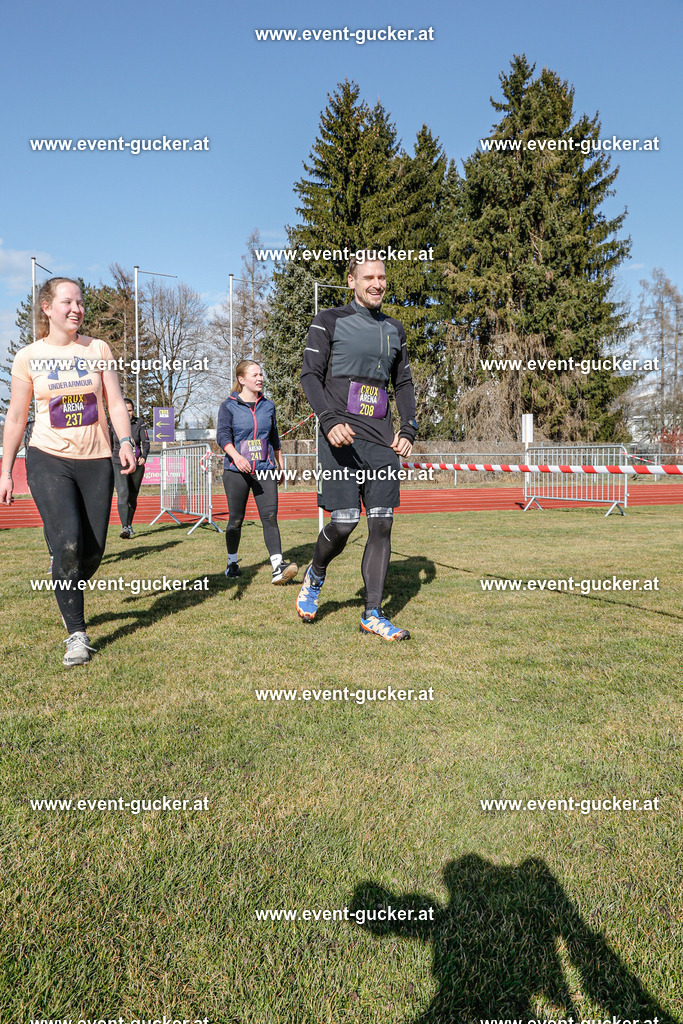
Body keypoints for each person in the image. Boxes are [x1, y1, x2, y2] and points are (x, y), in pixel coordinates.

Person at [0, 277, 136, 666]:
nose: (76, 308)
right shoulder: (28, 357)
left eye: (79, 302)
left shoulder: (97, 349)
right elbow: (15, 416)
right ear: (47, 308)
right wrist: (7, 470)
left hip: (96, 460)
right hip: (47, 457)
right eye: (67, 302)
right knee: (69, 545)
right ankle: (76, 633)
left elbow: (114, 402)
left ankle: (63, 571)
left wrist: (125, 441)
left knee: (92, 554)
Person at [296, 251, 418, 640]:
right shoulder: (328, 321)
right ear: (351, 281)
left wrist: (409, 428)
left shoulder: (395, 329)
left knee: (381, 522)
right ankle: (315, 575)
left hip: (381, 441)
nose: (377, 284)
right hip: (339, 438)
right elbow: (310, 376)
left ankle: (372, 612)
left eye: (382, 277)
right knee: (345, 522)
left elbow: (403, 386)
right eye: (369, 277)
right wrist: (328, 420)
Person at [216, 359, 298, 584]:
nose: (260, 378)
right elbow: (222, 436)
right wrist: (237, 456)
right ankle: (232, 562)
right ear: (242, 380)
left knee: (270, 517)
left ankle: (277, 567)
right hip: (236, 470)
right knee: (236, 519)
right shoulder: (228, 406)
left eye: (261, 374)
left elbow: (274, 438)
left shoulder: (268, 406)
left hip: (265, 468)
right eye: (255, 375)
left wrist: (280, 465)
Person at [110, 398, 150, 538]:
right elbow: (109, 443)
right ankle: (124, 527)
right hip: (117, 462)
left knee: (132, 496)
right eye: (125, 410)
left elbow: (145, 442)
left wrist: (144, 456)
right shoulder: (113, 423)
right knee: (123, 493)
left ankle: (129, 524)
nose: (127, 413)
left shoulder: (139, 423)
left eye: (130, 410)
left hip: (136, 464)